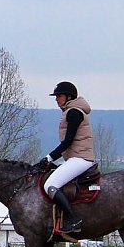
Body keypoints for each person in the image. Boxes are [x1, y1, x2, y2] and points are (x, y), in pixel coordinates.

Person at [35, 81, 94, 233]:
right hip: (76, 158)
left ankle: (73, 220)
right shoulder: (70, 111)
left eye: (59, 96)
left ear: (69, 96)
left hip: (81, 158)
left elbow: (67, 142)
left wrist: (48, 158)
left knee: (50, 185)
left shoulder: (74, 112)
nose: (56, 99)